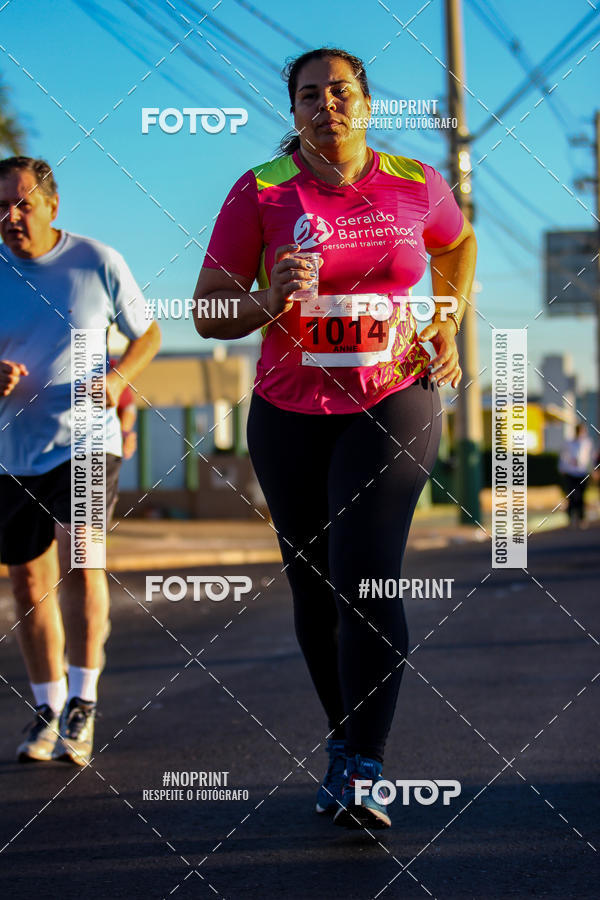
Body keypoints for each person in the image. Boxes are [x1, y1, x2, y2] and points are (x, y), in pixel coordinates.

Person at [193, 48, 477, 829]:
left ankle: (367, 767)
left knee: (365, 573)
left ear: (368, 103)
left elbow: (456, 245)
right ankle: (343, 742)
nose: (329, 105)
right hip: (288, 410)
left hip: (393, 398)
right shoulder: (262, 190)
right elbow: (207, 312)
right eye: (310, 95)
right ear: (294, 112)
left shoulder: (417, 183)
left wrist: (448, 320)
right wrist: (264, 298)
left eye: (343, 91)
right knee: (315, 585)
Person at [0, 156, 161, 765]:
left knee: (81, 559)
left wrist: (119, 381)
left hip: (88, 440)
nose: (11, 217)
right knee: (27, 579)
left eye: (22, 203)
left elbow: (146, 336)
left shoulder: (97, 261)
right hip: (12, 448)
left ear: (51, 206)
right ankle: (46, 706)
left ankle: (82, 704)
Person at [558, 423, 594, 528]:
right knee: (572, 496)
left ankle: (581, 518)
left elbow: (590, 458)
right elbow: (563, 456)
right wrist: (563, 467)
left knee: (581, 496)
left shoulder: (587, 443)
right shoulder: (569, 443)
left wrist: (593, 470)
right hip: (570, 473)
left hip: (582, 473)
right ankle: (570, 518)